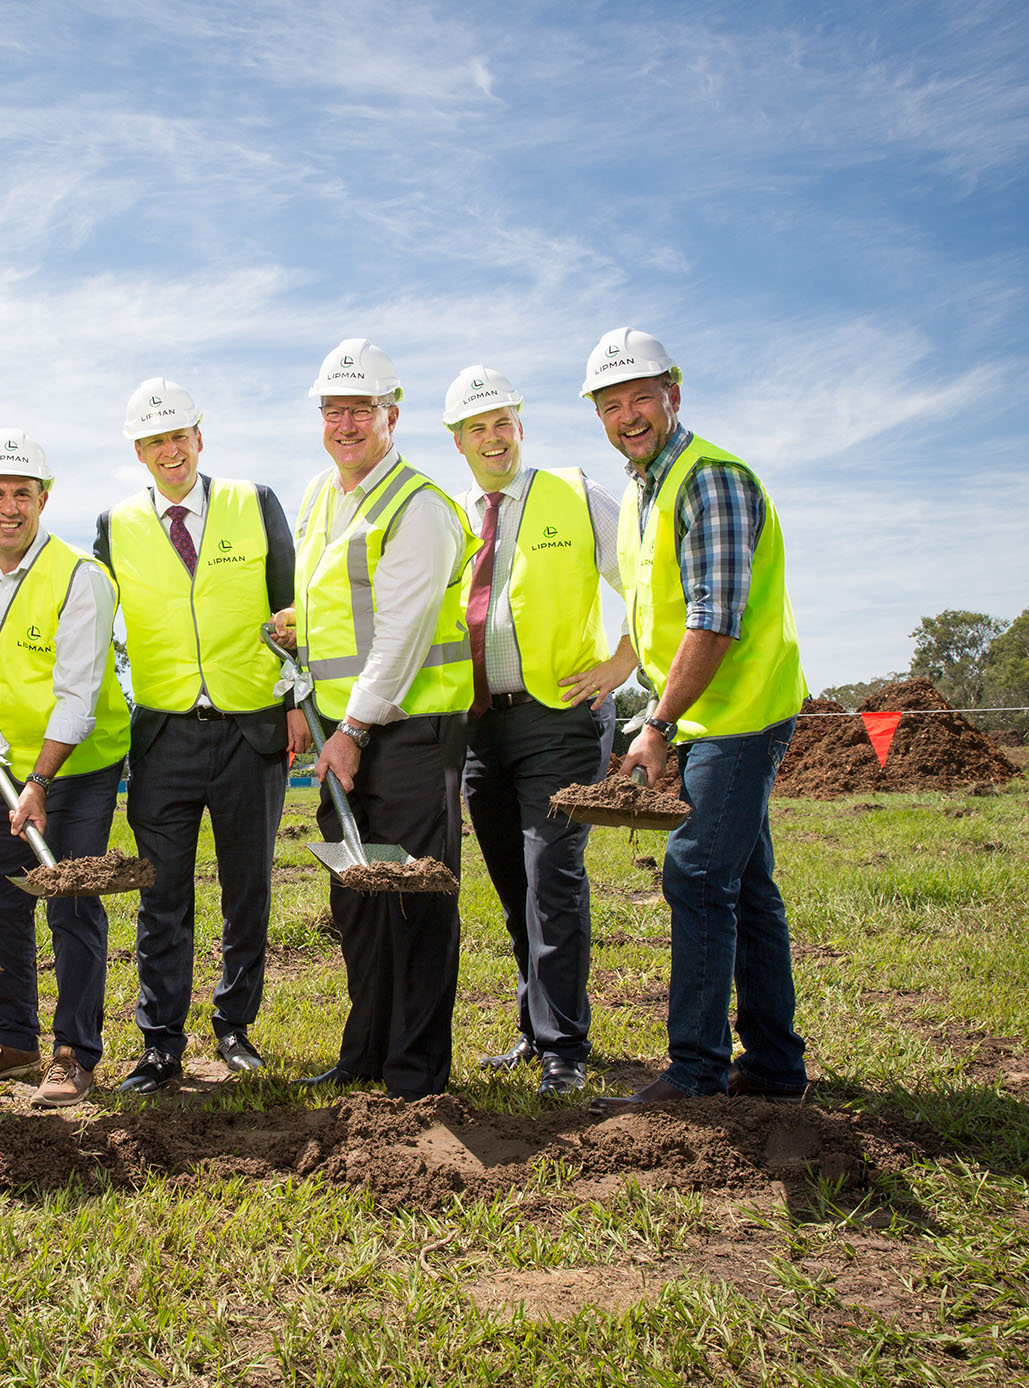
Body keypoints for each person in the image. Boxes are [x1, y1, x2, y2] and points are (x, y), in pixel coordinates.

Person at [579, 328, 810, 1110]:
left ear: (673, 393)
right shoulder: (645, 488)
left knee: (696, 874)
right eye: (612, 404)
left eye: (641, 396)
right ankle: (775, 1066)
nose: (629, 414)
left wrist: (656, 726)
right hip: (708, 713)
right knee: (746, 883)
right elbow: (660, 618)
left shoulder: (709, 481)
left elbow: (713, 621)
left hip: (737, 714)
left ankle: (697, 1073)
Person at [270, 339, 478, 1100]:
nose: (346, 423)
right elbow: (340, 603)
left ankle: (416, 1071)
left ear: (393, 414)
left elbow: (404, 630)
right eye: (333, 410)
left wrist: (353, 733)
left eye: (361, 409)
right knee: (358, 899)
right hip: (338, 729)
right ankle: (365, 1053)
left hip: (410, 732)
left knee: (415, 897)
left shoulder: (420, 506)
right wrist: (298, 631)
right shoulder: (321, 496)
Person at [93, 379, 308, 1093]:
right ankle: (160, 1045)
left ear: (199, 437)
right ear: (139, 451)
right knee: (162, 898)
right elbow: (87, 624)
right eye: (155, 440)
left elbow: (292, 606)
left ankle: (235, 1027)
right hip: (164, 737)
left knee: (248, 888)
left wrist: (301, 704)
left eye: (179, 435)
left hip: (252, 729)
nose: (170, 450)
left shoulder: (254, 502)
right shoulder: (115, 525)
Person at [442, 366, 639, 1098]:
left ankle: (565, 1049)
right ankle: (534, 1028)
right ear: (457, 441)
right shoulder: (456, 515)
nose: (493, 438)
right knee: (512, 882)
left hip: (561, 718)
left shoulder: (576, 493)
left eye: (503, 423)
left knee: (551, 877)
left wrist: (623, 661)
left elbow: (648, 579)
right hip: (482, 727)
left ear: (519, 426)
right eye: (477, 428)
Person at [0, 429, 131, 1108]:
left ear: (44, 498)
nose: (9, 506)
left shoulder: (81, 576)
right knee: (2, 899)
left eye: (23, 492)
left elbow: (78, 695)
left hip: (74, 763)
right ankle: (13, 1040)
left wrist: (41, 783)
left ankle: (75, 1053)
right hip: (5, 764)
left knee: (70, 899)